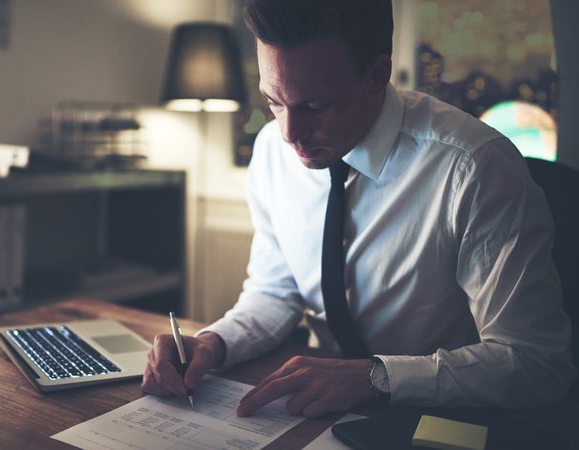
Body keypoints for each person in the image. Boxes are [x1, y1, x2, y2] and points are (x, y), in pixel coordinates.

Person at [142, 0, 576, 418]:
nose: (290, 133)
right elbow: (276, 293)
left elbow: (536, 363)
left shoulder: (475, 168)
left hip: (443, 418)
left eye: (314, 105)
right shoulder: (271, 150)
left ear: (377, 75)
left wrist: (376, 378)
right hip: (315, 410)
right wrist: (214, 343)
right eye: (273, 102)